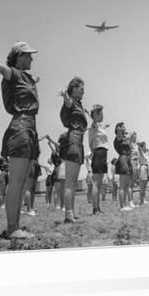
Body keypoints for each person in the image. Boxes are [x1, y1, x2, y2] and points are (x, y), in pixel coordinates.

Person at [0, 41, 39, 239]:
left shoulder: (26, 77)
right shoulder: (13, 72)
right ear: (19, 56)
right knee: (17, 182)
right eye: (28, 55)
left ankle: (16, 226)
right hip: (20, 128)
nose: (32, 58)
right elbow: (1, 69)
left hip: (29, 127)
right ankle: (12, 228)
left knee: (22, 183)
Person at [58, 77, 88, 223]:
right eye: (81, 89)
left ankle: (71, 212)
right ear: (74, 88)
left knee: (73, 182)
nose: (84, 92)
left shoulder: (79, 104)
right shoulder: (70, 101)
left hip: (78, 143)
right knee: (70, 182)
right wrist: (65, 96)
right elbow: (68, 104)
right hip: (73, 142)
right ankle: (68, 214)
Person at [88, 104, 110, 214]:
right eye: (100, 114)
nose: (102, 115)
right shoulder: (94, 126)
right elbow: (94, 121)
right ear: (95, 115)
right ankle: (95, 209)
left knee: (99, 183)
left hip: (103, 154)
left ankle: (98, 207)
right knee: (96, 183)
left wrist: (104, 127)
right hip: (98, 153)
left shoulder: (100, 127)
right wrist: (96, 109)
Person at [113, 122, 134, 211]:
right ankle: (122, 206)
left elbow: (130, 135)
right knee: (122, 185)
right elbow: (123, 135)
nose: (125, 128)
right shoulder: (118, 137)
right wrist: (122, 132)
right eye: (123, 127)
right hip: (122, 159)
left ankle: (125, 204)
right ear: (118, 128)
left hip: (127, 160)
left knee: (125, 185)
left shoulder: (124, 138)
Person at [137, 141, 149, 206]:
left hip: (147, 168)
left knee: (145, 186)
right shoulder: (140, 152)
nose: (146, 147)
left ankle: (143, 199)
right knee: (142, 186)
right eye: (145, 145)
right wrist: (140, 145)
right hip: (142, 167)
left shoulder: (146, 153)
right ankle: (141, 201)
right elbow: (139, 147)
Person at [128, 131, 139, 208]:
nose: (135, 137)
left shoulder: (136, 145)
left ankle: (131, 201)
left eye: (136, 136)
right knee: (130, 184)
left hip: (136, 162)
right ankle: (130, 202)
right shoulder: (130, 144)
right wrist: (130, 135)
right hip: (131, 161)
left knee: (133, 183)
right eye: (134, 136)